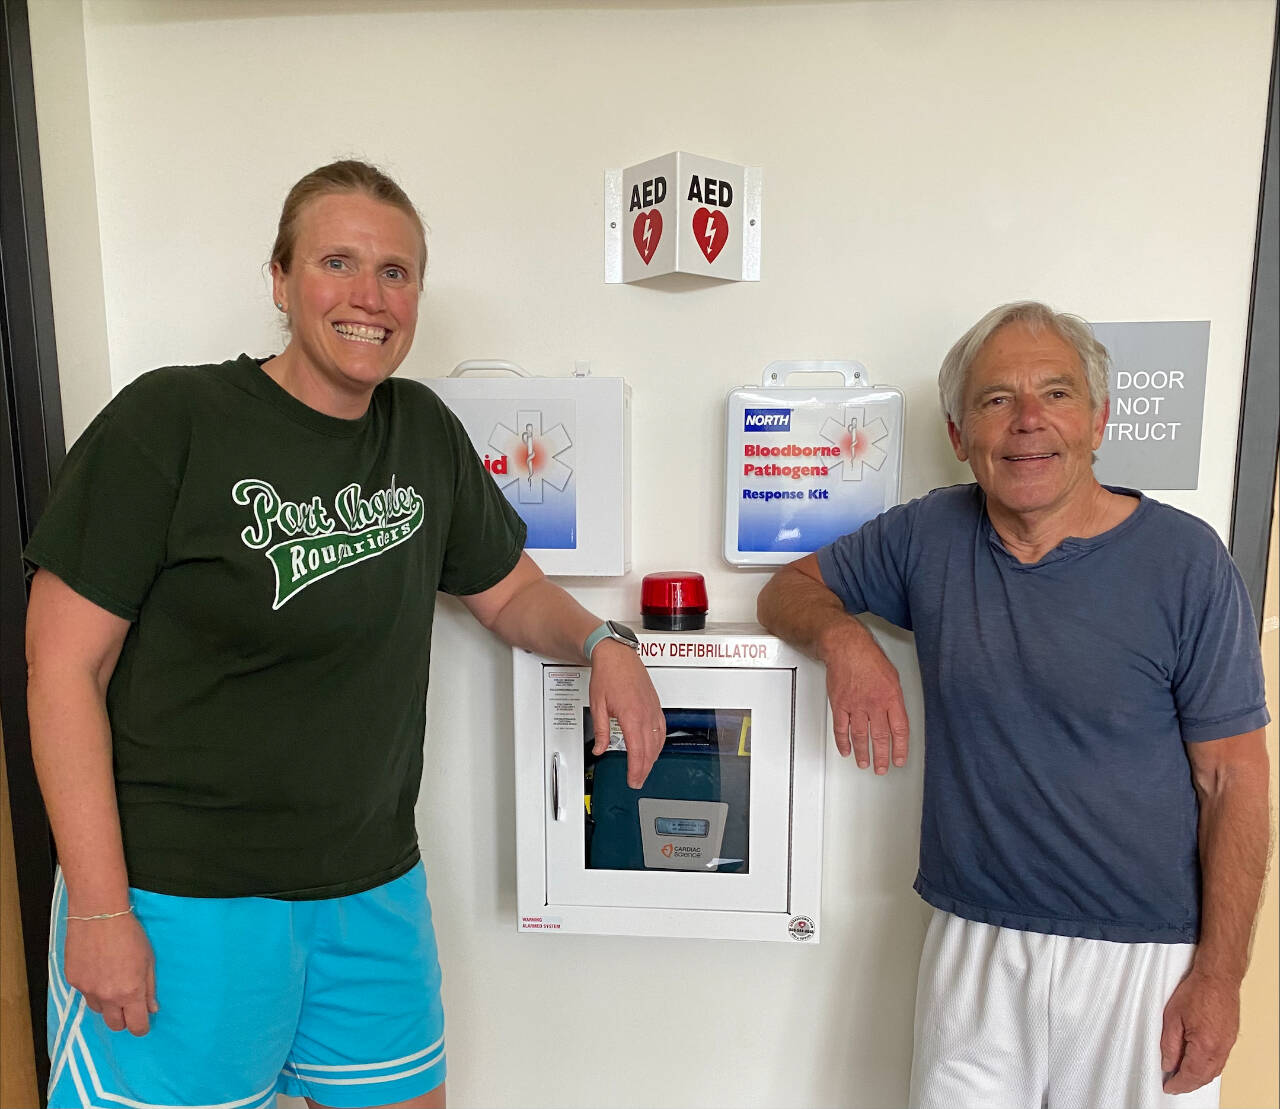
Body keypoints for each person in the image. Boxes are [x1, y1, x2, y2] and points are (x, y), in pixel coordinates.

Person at [24, 159, 665, 1109]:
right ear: (281, 282)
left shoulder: (421, 432)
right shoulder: (172, 421)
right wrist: (104, 908)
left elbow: (508, 589)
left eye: (396, 272)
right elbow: (62, 669)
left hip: (370, 894)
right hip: (182, 901)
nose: (370, 297)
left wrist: (605, 639)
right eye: (337, 262)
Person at [757, 301, 1270, 1109]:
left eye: (1056, 395)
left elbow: (1234, 782)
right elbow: (787, 590)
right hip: (977, 947)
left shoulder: (1186, 562)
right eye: (997, 400)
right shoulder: (928, 535)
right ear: (961, 436)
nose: (1028, 422)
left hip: (1142, 964)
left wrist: (1220, 975)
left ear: (1098, 419)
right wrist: (844, 641)